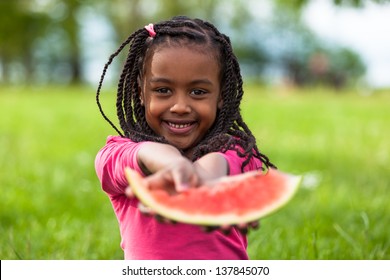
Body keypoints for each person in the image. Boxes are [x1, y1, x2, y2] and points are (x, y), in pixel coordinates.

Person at [94, 16, 276, 260]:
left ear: (221, 95)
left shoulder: (238, 154)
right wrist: (171, 163)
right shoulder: (121, 154)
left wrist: (200, 179)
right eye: (163, 90)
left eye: (198, 92)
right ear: (140, 93)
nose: (180, 106)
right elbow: (129, 157)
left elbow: (220, 167)